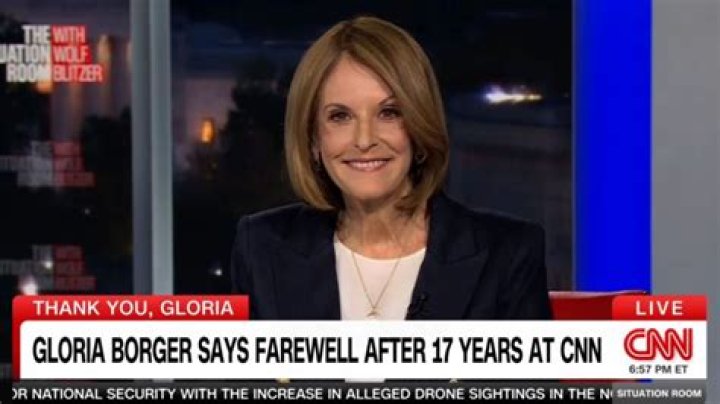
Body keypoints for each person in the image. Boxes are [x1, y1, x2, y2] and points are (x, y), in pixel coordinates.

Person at [230, 16, 551, 321]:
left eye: (389, 113)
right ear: (314, 138)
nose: (364, 139)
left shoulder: (507, 255)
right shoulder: (263, 248)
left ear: (419, 125)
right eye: (340, 116)